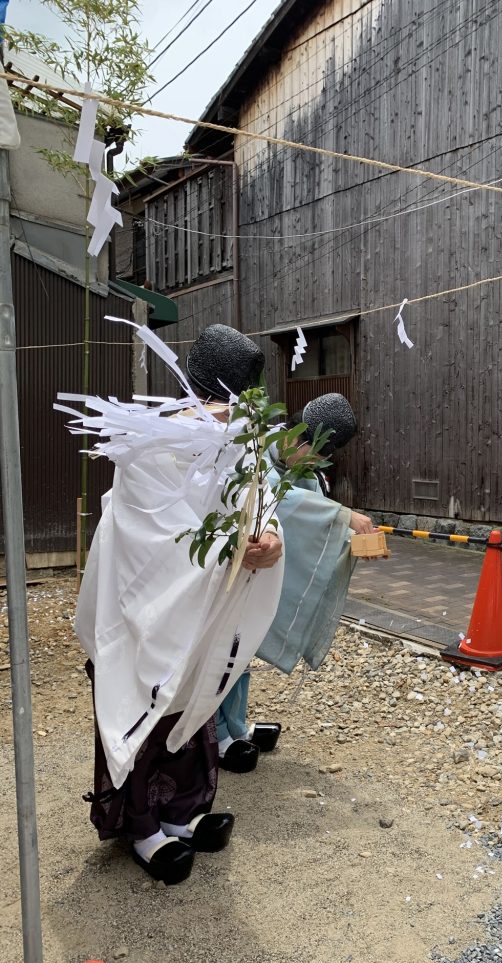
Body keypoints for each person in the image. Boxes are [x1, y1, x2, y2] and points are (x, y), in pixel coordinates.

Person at [65, 321, 286, 885]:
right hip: (139, 605)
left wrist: (267, 542)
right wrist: (227, 550)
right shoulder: (152, 442)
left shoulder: (244, 444)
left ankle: (183, 812)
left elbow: (259, 508)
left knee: (192, 702)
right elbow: (149, 533)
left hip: (202, 605)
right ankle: (142, 827)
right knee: (144, 696)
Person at [216, 392, 376, 771]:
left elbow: (315, 525)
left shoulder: (303, 471)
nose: (317, 465)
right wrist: (343, 515)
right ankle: (216, 735)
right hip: (234, 570)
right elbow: (279, 503)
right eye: (317, 455)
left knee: (246, 648)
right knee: (225, 649)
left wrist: (351, 538)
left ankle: (236, 726)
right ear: (298, 437)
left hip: (264, 575)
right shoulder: (253, 456)